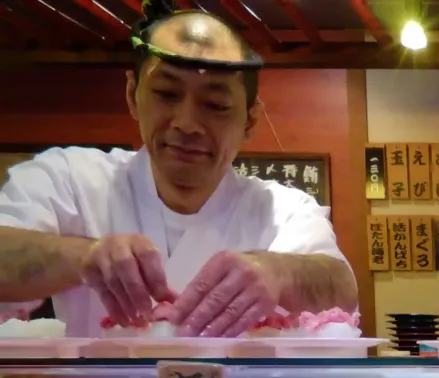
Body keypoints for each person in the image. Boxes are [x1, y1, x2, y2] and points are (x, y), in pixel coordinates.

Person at [0, 2, 355, 338]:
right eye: (167, 94)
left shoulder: (283, 210)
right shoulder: (70, 177)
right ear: (132, 94)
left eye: (215, 105)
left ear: (250, 121)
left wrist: (278, 272)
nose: (187, 123)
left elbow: (341, 288)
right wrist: (85, 257)